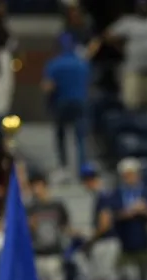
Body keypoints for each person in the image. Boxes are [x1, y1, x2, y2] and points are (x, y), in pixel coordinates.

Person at [42, 33, 91, 179]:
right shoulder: (82, 63)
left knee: (61, 135)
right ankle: (82, 168)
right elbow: (87, 83)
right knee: (80, 137)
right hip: (80, 102)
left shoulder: (54, 64)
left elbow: (48, 86)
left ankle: (64, 168)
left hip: (61, 103)